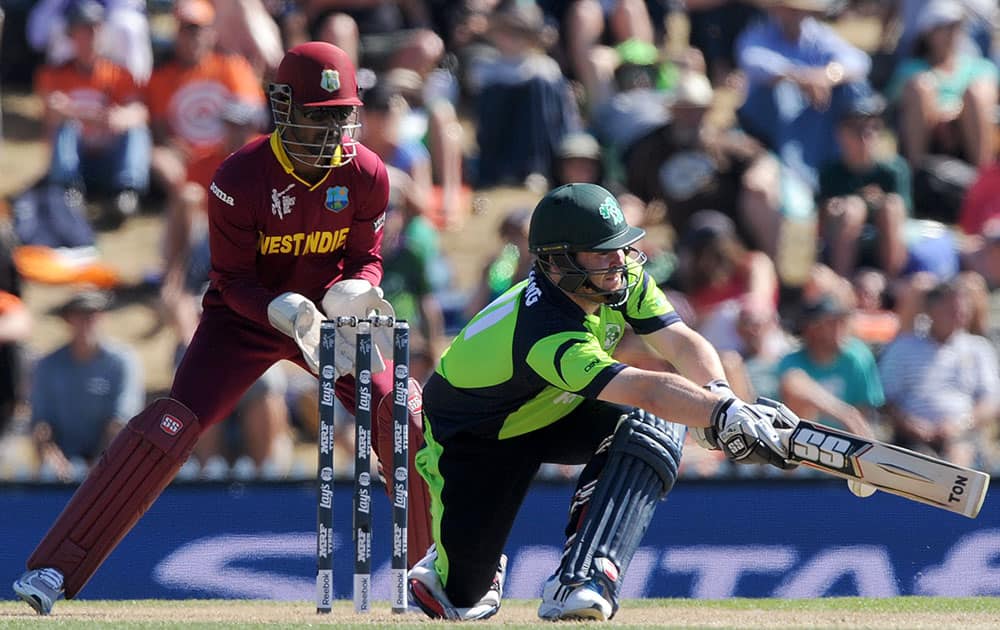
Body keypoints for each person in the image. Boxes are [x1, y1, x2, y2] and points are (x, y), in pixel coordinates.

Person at [12, 42, 432, 615]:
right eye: (318, 114)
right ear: (284, 107)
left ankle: (443, 575)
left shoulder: (368, 173)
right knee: (168, 425)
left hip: (332, 318)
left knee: (400, 412)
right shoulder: (239, 176)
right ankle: (54, 571)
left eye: (341, 114)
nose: (332, 130)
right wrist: (275, 310)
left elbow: (367, 257)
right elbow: (230, 279)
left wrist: (359, 286)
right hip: (246, 320)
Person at [406, 182, 804, 621]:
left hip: (555, 407)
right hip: (479, 438)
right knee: (463, 600)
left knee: (654, 425)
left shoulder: (619, 279)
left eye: (620, 248)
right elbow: (644, 388)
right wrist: (722, 416)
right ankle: (447, 568)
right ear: (558, 261)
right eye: (602, 252)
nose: (619, 261)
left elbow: (679, 341)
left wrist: (722, 394)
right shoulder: (543, 330)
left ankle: (583, 579)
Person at [34, 0, 151, 228]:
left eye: (95, 29)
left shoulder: (119, 74)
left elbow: (140, 111)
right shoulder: (54, 74)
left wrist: (123, 117)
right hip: (76, 162)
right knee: (66, 127)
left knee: (136, 131)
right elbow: (52, 112)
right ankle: (68, 192)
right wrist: (91, 115)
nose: (90, 37)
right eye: (83, 30)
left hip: (109, 159)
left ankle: (125, 195)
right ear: (71, 36)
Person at [29, 290, 143, 482]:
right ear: (68, 319)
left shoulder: (122, 362)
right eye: (80, 314)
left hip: (111, 461)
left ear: (103, 318)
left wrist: (101, 464)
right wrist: (54, 460)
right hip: (62, 463)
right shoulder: (48, 365)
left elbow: (121, 422)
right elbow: (41, 424)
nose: (87, 321)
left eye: (93, 314)